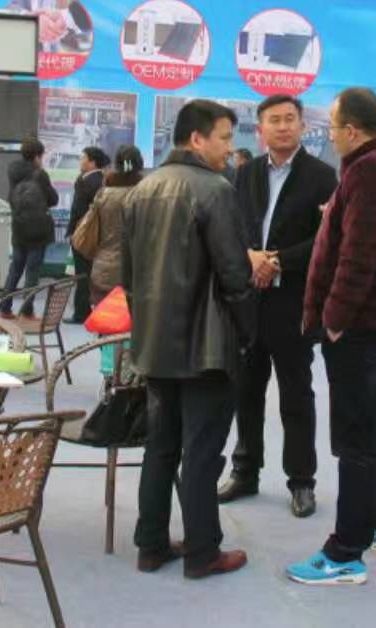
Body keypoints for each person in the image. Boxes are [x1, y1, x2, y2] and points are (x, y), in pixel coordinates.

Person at [287, 87, 376, 586]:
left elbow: (359, 256)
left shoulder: (368, 172)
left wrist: (335, 318)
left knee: (356, 440)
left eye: (332, 126)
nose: (329, 135)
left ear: (351, 130)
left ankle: (346, 551)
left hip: (362, 328)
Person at [123, 100, 256, 580]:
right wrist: (249, 330)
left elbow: (129, 277)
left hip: (155, 343)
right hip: (207, 347)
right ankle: (203, 552)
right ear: (197, 139)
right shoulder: (215, 190)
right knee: (201, 451)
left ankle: (151, 545)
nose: (229, 148)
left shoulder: (141, 190)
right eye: (224, 138)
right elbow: (235, 274)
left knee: (160, 447)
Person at [218, 95, 338, 517]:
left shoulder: (322, 176)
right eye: (275, 120)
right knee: (245, 392)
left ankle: (302, 481)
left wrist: (278, 261)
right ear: (261, 129)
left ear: (303, 126)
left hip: (293, 301)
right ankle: (245, 471)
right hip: (248, 301)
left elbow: (327, 239)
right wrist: (251, 257)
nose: (283, 126)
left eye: (290, 119)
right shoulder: (245, 173)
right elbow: (231, 226)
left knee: (296, 394)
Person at [0, 137, 58, 319]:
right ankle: (27, 310)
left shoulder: (13, 173)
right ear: (37, 157)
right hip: (37, 230)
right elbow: (53, 199)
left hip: (19, 227)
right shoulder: (40, 175)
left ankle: (5, 308)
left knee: (15, 269)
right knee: (32, 271)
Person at [83, 145, 145, 306]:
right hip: (137, 271)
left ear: (117, 164)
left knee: (105, 317)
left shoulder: (103, 195)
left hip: (104, 269)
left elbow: (89, 227)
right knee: (133, 319)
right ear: (139, 164)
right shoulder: (146, 195)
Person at [65, 146, 108, 324]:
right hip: (91, 233)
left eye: (83, 158)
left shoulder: (89, 182)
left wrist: (72, 232)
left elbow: (78, 210)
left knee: (82, 274)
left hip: (84, 234)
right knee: (87, 273)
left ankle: (81, 312)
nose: (80, 161)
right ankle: (86, 309)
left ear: (92, 162)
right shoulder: (99, 179)